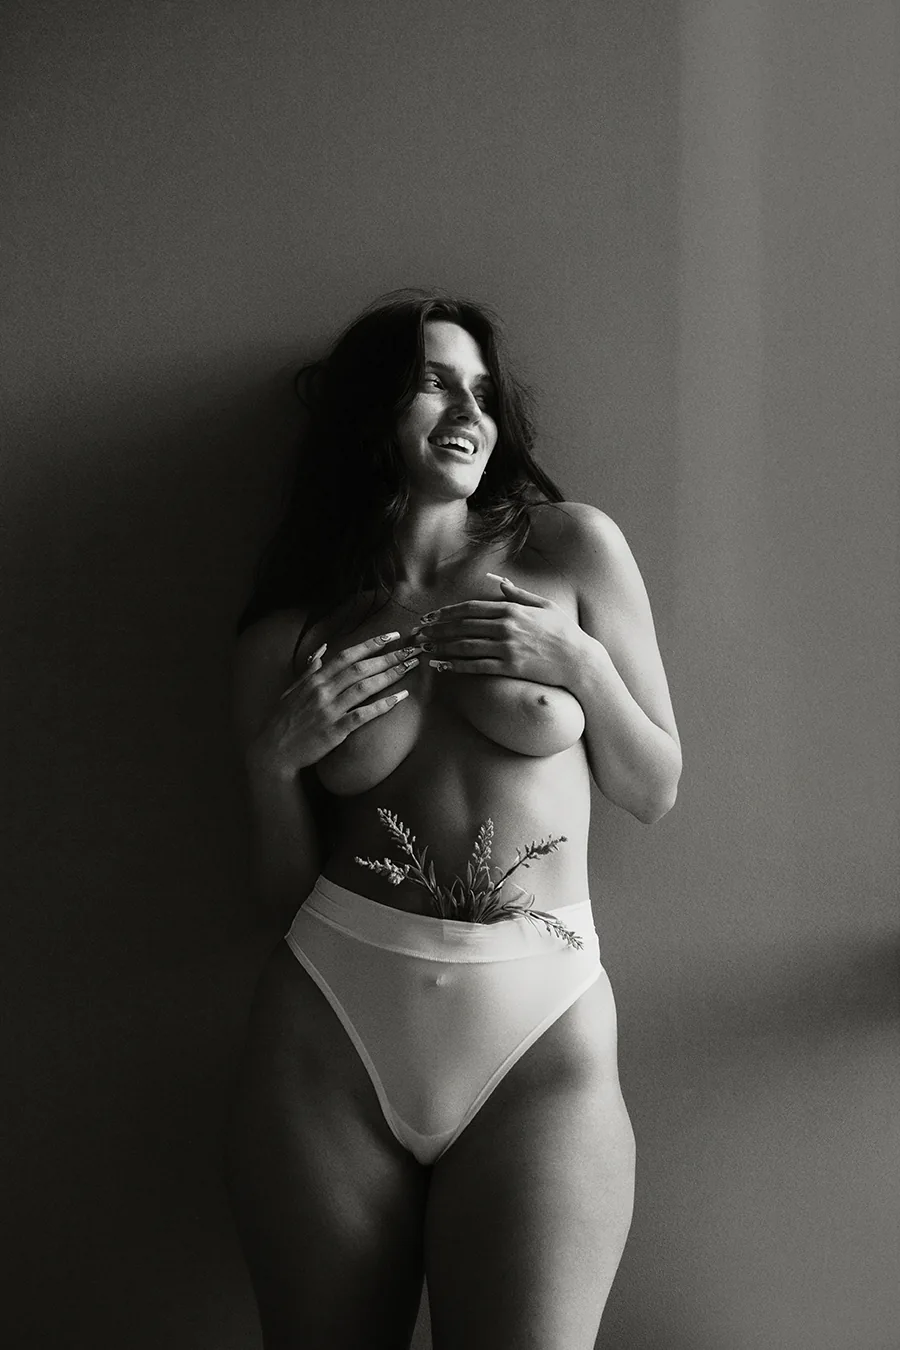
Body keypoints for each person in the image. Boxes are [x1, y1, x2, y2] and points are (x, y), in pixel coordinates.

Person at [225, 287, 682, 1350]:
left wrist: (580, 667)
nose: (466, 411)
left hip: (543, 1028)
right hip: (331, 1026)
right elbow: (273, 900)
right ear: (368, 414)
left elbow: (653, 784)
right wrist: (270, 766)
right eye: (433, 384)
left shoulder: (569, 550)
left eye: (479, 389)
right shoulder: (289, 635)